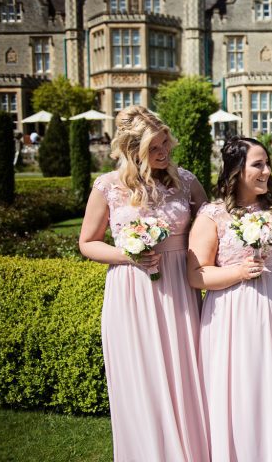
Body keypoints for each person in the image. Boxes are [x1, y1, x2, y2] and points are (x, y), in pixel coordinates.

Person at [78, 106, 209, 461]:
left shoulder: (186, 181)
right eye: (154, 146)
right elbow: (87, 242)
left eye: (166, 142)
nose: (164, 151)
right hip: (132, 290)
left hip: (179, 287)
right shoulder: (108, 186)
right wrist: (127, 255)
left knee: (185, 370)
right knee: (142, 375)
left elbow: (213, 225)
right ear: (132, 149)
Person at [188, 137, 272, 461]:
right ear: (237, 171)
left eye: (268, 164)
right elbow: (196, 275)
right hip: (238, 312)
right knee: (246, 387)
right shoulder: (213, 215)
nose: (267, 171)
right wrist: (238, 272)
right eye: (258, 164)